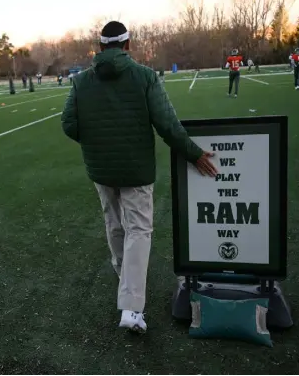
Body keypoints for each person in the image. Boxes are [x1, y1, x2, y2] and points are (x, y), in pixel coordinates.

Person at [61, 21, 218, 334]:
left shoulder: (82, 82)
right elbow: (168, 124)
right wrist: (194, 154)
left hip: (101, 169)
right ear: (127, 44)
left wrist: (96, 143)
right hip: (136, 169)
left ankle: (126, 280)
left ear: (101, 46)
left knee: (115, 225)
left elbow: (69, 123)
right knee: (139, 231)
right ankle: (131, 308)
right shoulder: (144, 76)